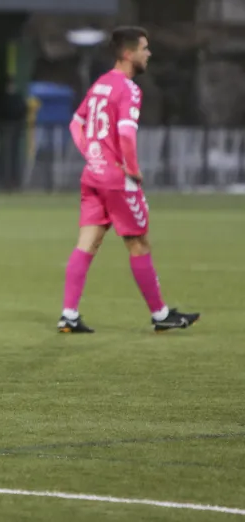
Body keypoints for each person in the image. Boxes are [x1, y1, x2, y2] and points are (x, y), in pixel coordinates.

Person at [59, 27, 199, 333]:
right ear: (128, 53)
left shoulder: (99, 86)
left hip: (93, 176)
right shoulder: (129, 89)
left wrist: (92, 154)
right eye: (144, 48)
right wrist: (133, 169)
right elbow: (125, 134)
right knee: (139, 243)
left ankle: (68, 314)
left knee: (87, 243)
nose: (148, 54)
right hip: (116, 179)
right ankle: (161, 316)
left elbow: (75, 123)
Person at [0, 77, 27, 190]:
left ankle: (14, 179)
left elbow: (22, 111)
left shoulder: (17, 98)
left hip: (15, 129)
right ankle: (3, 179)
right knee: (4, 154)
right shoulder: (2, 98)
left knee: (14, 155)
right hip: (4, 129)